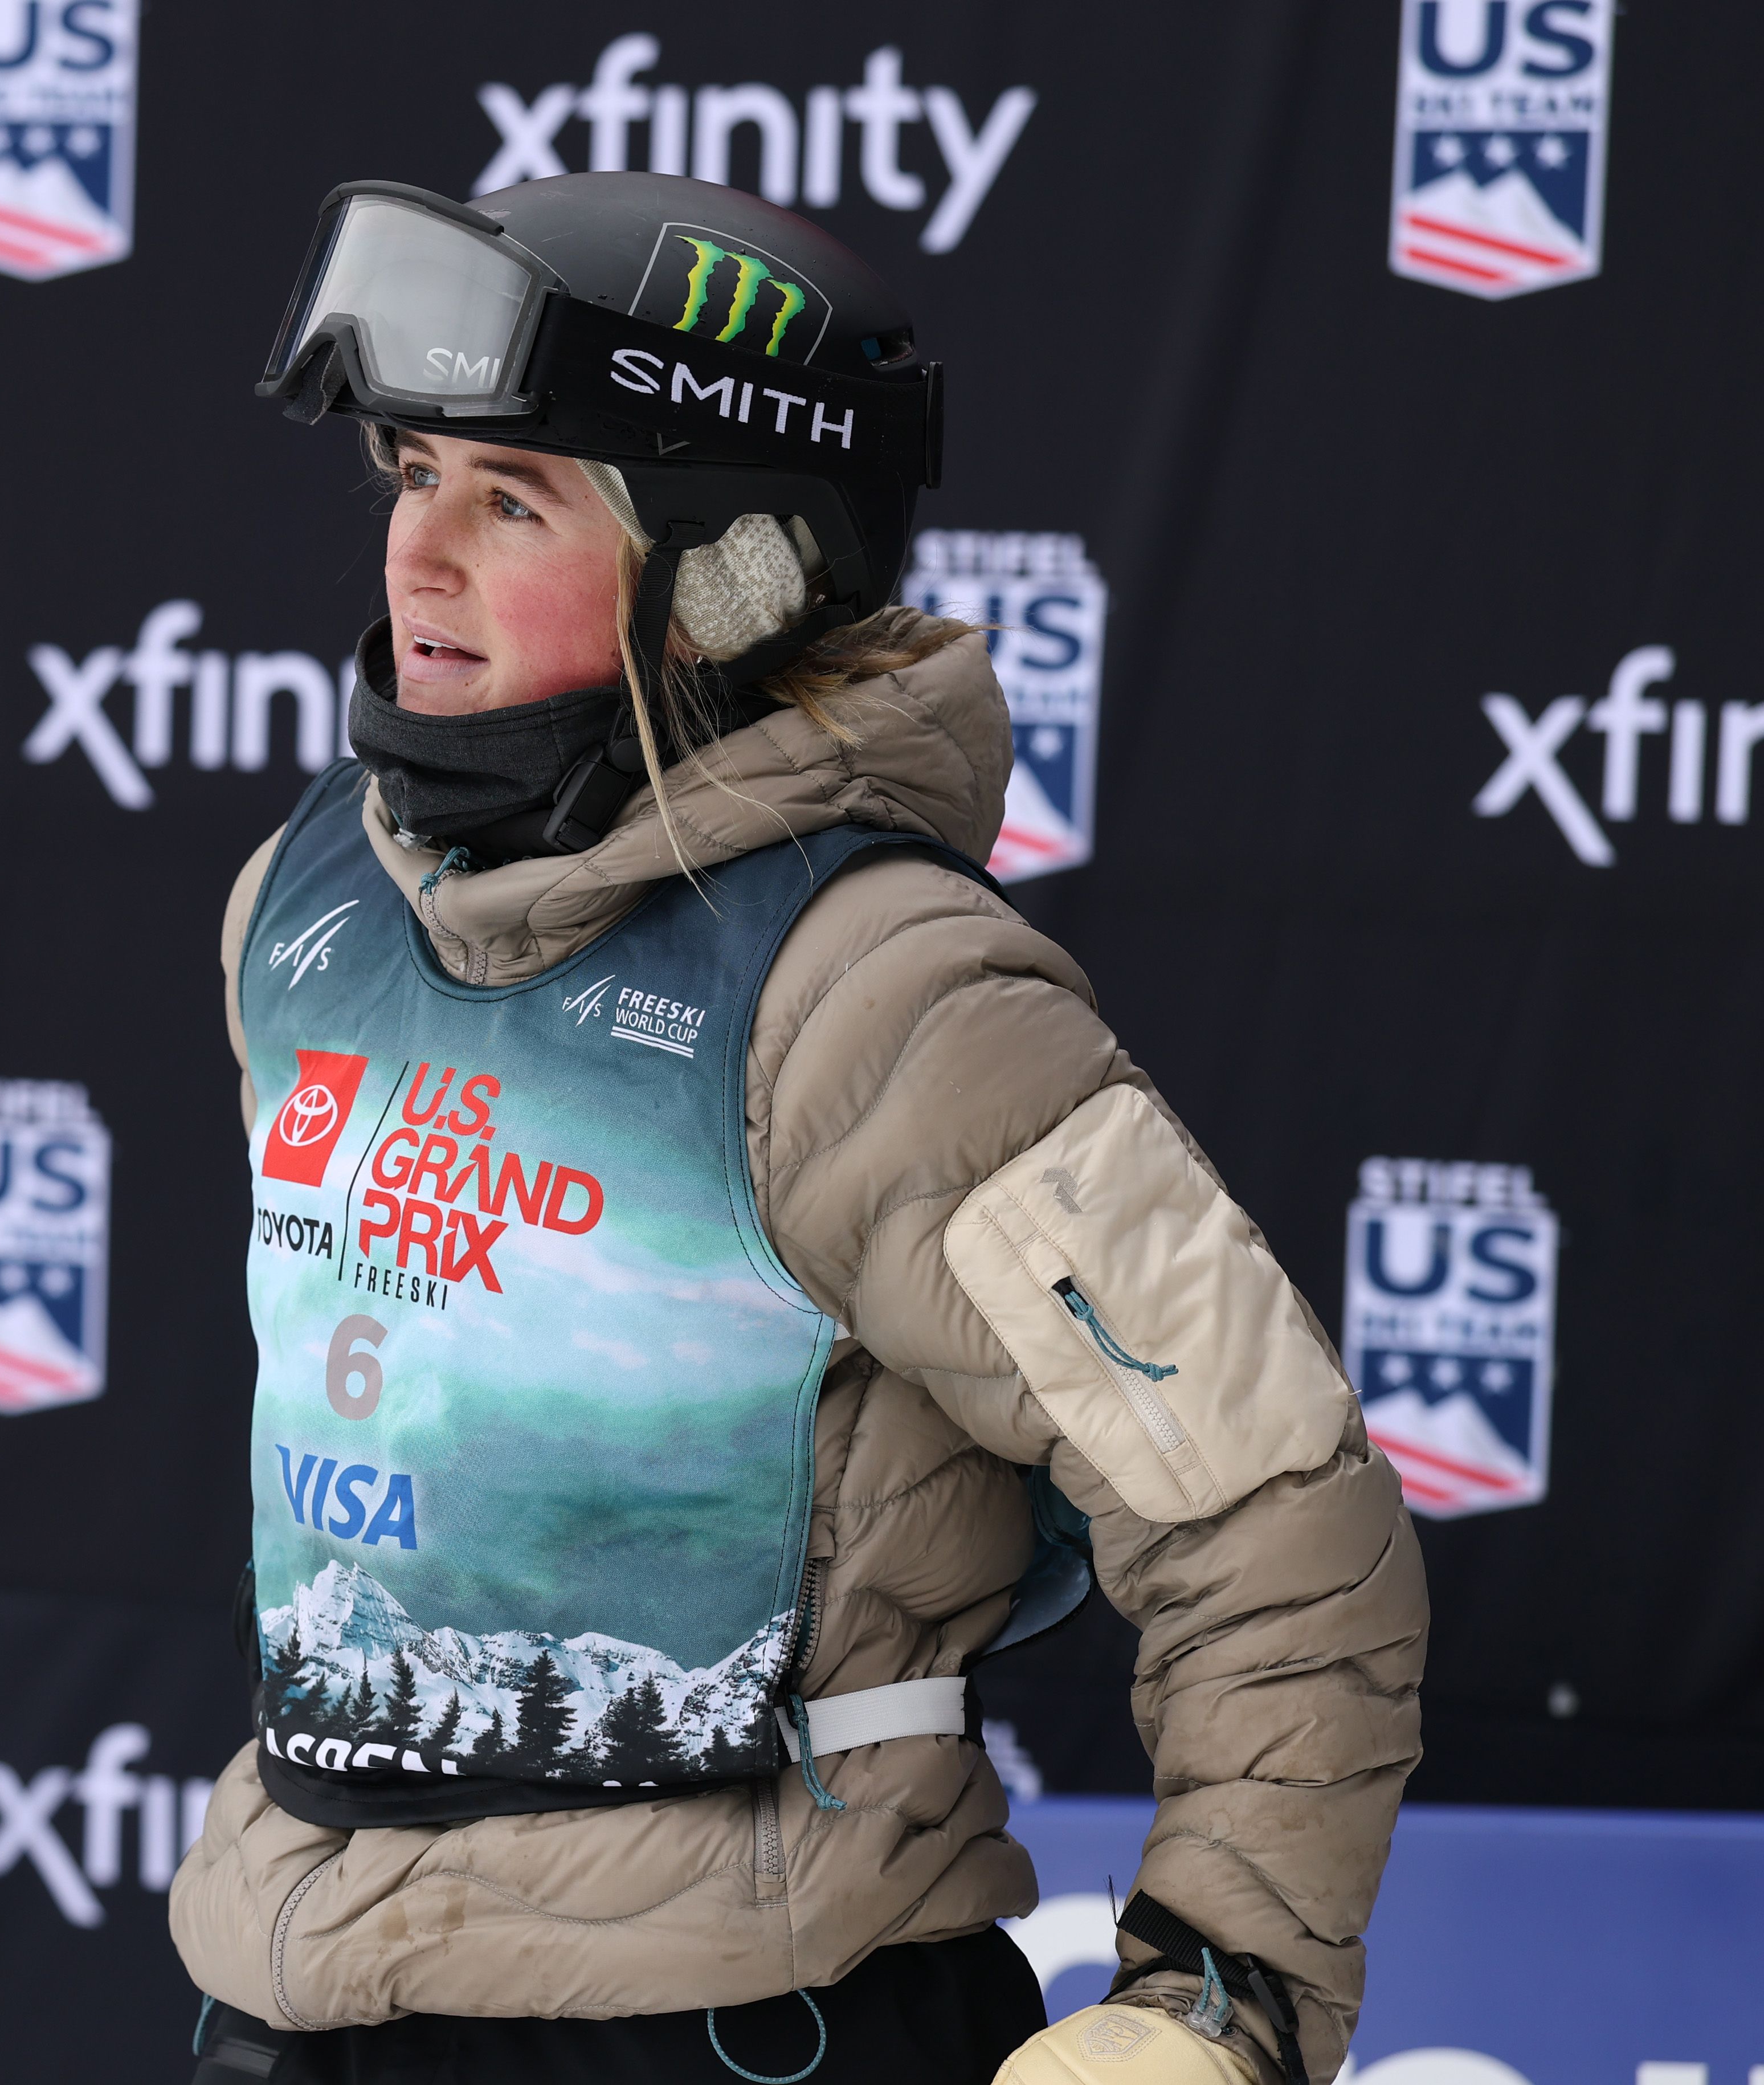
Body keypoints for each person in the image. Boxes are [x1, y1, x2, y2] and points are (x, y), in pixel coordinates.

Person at [168, 173, 1424, 2085]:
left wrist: (1218, 2001)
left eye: (510, 502)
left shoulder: (879, 1000)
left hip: (736, 2025)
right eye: (413, 474)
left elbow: (1275, 1517)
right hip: (296, 2001)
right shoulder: (307, 906)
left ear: (732, 573)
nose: (415, 555)